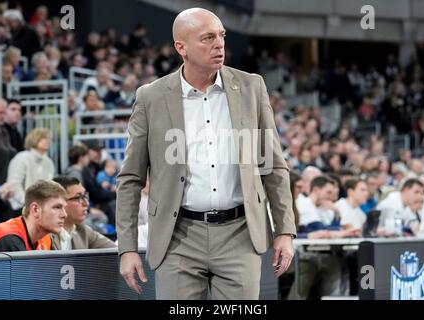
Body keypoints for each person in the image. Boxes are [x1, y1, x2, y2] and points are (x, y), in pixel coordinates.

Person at [116, 8, 296, 300]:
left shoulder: (252, 87)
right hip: (177, 238)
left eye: (222, 36)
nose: (219, 44)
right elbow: (130, 178)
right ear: (181, 47)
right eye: (208, 38)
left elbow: (273, 166)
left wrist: (285, 230)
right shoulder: (150, 97)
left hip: (240, 234)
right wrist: (128, 248)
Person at [0, 180, 67, 252]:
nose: (64, 215)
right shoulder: (8, 239)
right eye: (57, 207)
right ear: (35, 209)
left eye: (64, 208)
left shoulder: (45, 240)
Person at [51, 176, 116, 250]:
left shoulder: (82, 229)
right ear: (59, 203)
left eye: (85, 196)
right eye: (78, 197)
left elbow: (115, 249)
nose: (86, 203)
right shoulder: (45, 234)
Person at [7, 128, 55, 212]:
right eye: (43, 138)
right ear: (34, 139)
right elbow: (14, 184)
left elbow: (48, 187)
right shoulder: (22, 158)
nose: (48, 141)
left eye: (49, 138)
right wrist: (27, 203)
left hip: (39, 209)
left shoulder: (49, 162)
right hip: (18, 207)